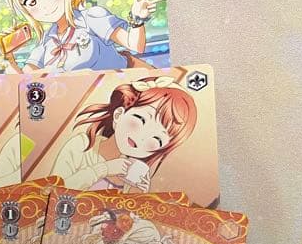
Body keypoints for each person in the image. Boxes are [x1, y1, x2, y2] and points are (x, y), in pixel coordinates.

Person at [3, 0, 166, 73]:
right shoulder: (48, 39)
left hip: (126, 89)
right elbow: (27, 80)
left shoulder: (92, 18)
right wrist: (9, 58)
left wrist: (137, 19)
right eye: (31, 1)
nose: (45, 6)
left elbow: (135, 46)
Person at [48, 77, 197, 193]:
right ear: (119, 115)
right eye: (141, 119)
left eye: (157, 139)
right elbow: (53, 192)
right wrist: (104, 169)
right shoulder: (82, 145)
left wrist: (138, 197)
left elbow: (120, 220)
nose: (142, 137)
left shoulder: (132, 173)